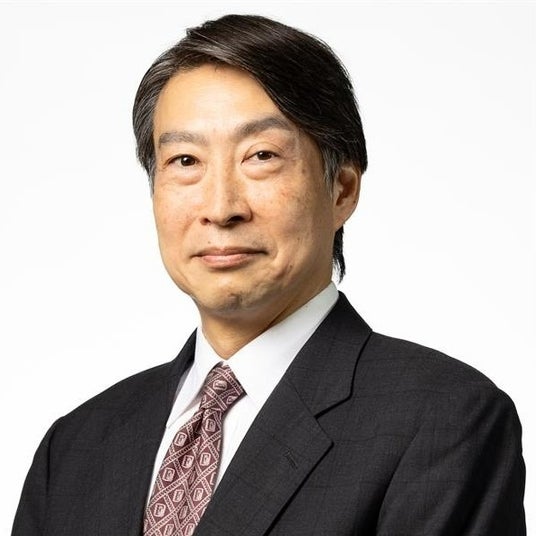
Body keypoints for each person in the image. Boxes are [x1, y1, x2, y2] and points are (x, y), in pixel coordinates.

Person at [11, 13, 525, 536]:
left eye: (261, 156)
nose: (220, 208)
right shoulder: (75, 447)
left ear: (342, 190)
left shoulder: (443, 418)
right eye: (185, 161)